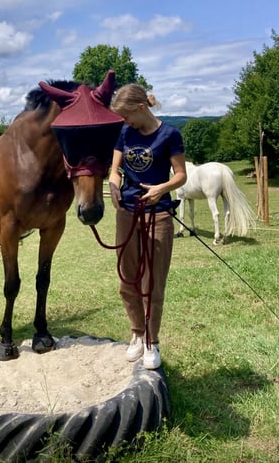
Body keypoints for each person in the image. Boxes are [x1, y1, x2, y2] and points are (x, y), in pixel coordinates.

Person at [108, 84, 187, 370]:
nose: (124, 121)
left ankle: (152, 341)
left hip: (159, 215)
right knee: (128, 279)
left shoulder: (170, 134)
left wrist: (161, 188)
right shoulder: (124, 133)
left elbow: (181, 176)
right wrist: (113, 186)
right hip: (127, 212)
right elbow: (114, 170)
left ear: (141, 107)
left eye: (126, 115)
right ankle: (137, 334)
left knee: (152, 282)